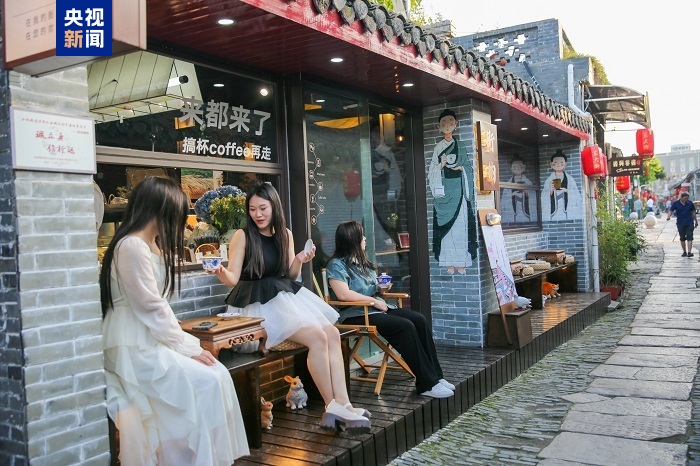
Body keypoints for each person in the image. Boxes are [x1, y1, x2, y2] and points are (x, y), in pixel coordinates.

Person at [99, 176, 249, 466]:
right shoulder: (131, 246)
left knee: (217, 375)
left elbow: (155, 308)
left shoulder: (151, 245)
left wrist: (186, 345)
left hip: (148, 339)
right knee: (208, 380)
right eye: (177, 212)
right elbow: (151, 307)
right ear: (160, 209)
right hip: (132, 345)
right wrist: (190, 348)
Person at [209, 183, 371, 432]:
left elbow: (290, 275)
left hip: (282, 298)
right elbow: (232, 278)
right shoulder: (242, 236)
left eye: (263, 208)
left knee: (332, 333)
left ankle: (344, 403)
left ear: (274, 206)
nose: (257, 214)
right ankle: (331, 405)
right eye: (252, 209)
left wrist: (299, 260)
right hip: (255, 305)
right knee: (317, 336)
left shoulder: (285, 234)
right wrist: (220, 271)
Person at [326, 221, 455, 399]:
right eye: (362, 235)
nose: (365, 239)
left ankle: (436, 376)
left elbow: (372, 289)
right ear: (352, 239)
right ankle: (427, 384)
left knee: (419, 320)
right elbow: (343, 294)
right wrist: (373, 301)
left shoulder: (363, 263)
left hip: (376, 309)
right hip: (355, 314)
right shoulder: (336, 265)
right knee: (405, 326)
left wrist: (381, 288)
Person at [427, 108, 478, 275]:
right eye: (443, 123)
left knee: (460, 227)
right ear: (438, 127)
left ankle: (461, 262)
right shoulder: (438, 147)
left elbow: (468, 167)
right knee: (447, 233)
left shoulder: (460, 145)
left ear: (456, 124)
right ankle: (448, 262)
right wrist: (441, 165)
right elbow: (432, 170)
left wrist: (461, 168)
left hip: (459, 190)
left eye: (450, 122)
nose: (447, 125)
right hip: (444, 190)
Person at [540, 149, 582, 221]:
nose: (558, 164)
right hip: (554, 210)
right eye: (555, 162)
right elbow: (543, 195)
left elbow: (577, 195)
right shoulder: (548, 180)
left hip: (565, 209)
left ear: (565, 164)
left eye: (561, 162)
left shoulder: (570, 179)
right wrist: (551, 191)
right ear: (551, 164)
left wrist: (566, 191)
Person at [500, 157, 534, 223]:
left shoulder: (528, 182)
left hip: (525, 210)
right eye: (514, 166)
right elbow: (504, 199)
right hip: (514, 209)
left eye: (519, 166)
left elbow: (533, 195)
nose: (517, 168)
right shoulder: (509, 183)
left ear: (524, 167)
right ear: (511, 168)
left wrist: (526, 193)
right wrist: (512, 195)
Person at [666, 191, 698, 257]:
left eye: (687, 198)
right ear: (681, 197)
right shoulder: (676, 203)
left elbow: (693, 212)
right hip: (680, 223)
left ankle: (689, 252)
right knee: (682, 237)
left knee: (690, 237)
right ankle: (684, 251)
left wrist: (696, 221)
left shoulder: (690, 203)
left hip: (689, 222)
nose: (686, 200)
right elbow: (671, 210)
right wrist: (668, 216)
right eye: (685, 198)